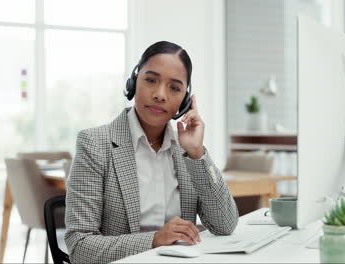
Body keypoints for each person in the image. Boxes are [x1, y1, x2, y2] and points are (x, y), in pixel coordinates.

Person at [64, 41, 239, 263]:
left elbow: (225, 225)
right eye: (151, 80)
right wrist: (154, 240)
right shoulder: (95, 144)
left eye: (174, 88)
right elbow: (79, 246)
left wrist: (196, 153)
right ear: (133, 82)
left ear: (185, 101)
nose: (160, 94)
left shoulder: (185, 152)